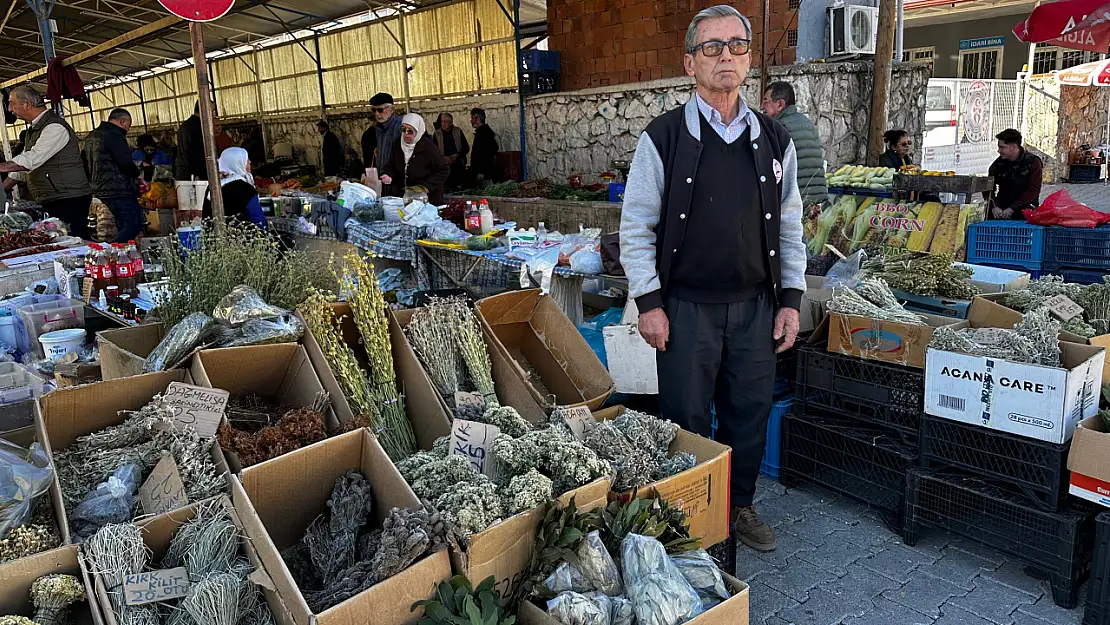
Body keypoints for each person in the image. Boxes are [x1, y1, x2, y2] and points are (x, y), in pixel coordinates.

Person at [619, 5, 805, 553]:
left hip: (754, 308)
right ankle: (688, 522)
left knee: (749, 415)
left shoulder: (775, 141)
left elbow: (791, 227)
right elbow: (635, 227)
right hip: (685, 310)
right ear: (689, 61)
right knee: (687, 420)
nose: (726, 56)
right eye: (712, 47)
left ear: (749, 58)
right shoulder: (664, 138)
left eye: (737, 45)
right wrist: (649, 302)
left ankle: (738, 506)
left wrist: (790, 300)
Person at [0, 85, 93, 239]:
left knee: (74, 240)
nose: (9, 109)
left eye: (12, 103)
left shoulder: (54, 127)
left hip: (68, 198)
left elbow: (31, 160)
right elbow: (24, 169)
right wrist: (4, 187)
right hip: (53, 197)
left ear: (27, 104)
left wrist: (2, 167)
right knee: (57, 240)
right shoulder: (34, 130)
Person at [761, 81, 827, 208]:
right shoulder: (806, 122)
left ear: (780, 104)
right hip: (816, 198)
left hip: (795, 200)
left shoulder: (778, 127)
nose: (762, 106)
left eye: (766, 101)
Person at [83, 108, 143, 242]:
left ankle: (123, 256)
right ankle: (109, 251)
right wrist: (137, 175)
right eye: (128, 125)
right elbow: (125, 162)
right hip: (119, 188)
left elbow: (85, 163)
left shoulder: (92, 136)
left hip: (100, 188)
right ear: (122, 121)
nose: (128, 129)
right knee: (133, 225)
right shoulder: (113, 135)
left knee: (123, 225)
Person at [380, 113, 450, 205]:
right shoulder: (397, 144)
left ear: (418, 131)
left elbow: (444, 169)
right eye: (403, 130)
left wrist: (426, 187)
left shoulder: (428, 147)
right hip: (404, 199)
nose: (406, 134)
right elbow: (391, 165)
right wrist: (388, 174)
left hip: (427, 201)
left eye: (410, 131)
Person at [986, 129, 1043, 220]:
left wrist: (1012, 208)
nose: (999, 151)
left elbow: (1033, 190)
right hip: (1001, 207)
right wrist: (994, 207)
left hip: (1026, 206)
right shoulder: (997, 164)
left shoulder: (1032, 162)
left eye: (1002, 147)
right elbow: (987, 188)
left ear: (1012, 147)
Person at [217, 147, 267, 230]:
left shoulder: (214, 186)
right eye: (246, 159)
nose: (249, 162)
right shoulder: (244, 188)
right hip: (241, 239)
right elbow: (259, 221)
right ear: (238, 163)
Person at [362, 93, 403, 176]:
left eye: (380, 110)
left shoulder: (401, 128)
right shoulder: (377, 129)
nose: (377, 114)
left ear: (391, 109)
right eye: (374, 110)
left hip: (397, 179)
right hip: (382, 179)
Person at [433, 112, 469, 191]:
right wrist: (444, 158)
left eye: (446, 122)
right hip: (443, 162)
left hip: (458, 161)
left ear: (451, 123)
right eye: (442, 121)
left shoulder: (458, 131)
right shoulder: (437, 134)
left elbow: (466, 148)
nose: (443, 124)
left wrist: (457, 156)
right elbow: (434, 151)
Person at [175, 102, 206, 181]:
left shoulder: (184, 125)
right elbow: (194, 152)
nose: (213, 114)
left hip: (183, 172)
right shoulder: (198, 127)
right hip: (193, 175)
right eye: (212, 111)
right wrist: (198, 173)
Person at [470, 108, 499, 185]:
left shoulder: (484, 134)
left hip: (484, 174)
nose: (471, 121)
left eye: (472, 118)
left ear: (477, 119)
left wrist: (481, 172)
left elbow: (483, 154)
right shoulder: (485, 132)